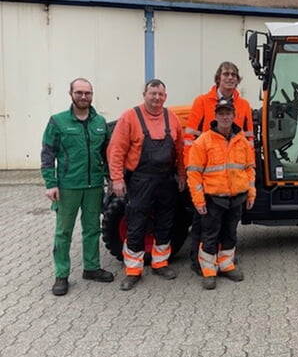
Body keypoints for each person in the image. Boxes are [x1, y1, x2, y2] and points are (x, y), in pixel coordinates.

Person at [107, 79, 186, 290]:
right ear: (144, 94)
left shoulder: (172, 118)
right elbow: (116, 150)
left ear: (165, 97)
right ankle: (133, 270)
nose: (156, 98)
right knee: (136, 222)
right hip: (140, 179)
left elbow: (180, 150)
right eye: (153, 93)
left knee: (166, 221)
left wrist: (181, 175)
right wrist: (117, 179)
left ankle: (160, 262)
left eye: (160, 94)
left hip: (166, 180)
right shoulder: (130, 117)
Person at [41, 78, 114, 296]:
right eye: (80, 92)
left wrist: (111, 180)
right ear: (71, 94)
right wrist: (51, 183)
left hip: (93, 186)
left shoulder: (100, 122)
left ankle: (91, 268)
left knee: (92, 229)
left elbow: (106, 154)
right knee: (63, 231)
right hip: (68, 187)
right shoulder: (58, 121)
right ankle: (61, 274)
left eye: (88, 93)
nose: (84, 97)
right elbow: (47, 154)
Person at [183, 61, 254, 275]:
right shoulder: (202, 102)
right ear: (218, 78)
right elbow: (190, 138)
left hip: (232, 178)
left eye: (234, 74)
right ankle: (199, 263)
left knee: (229, 227)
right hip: (208, 177)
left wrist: (248, 178)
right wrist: (191, 172)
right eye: (226, 74)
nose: (230, 77)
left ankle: (225, 261)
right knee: (203, 224)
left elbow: (248, 140)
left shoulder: (244, 106)